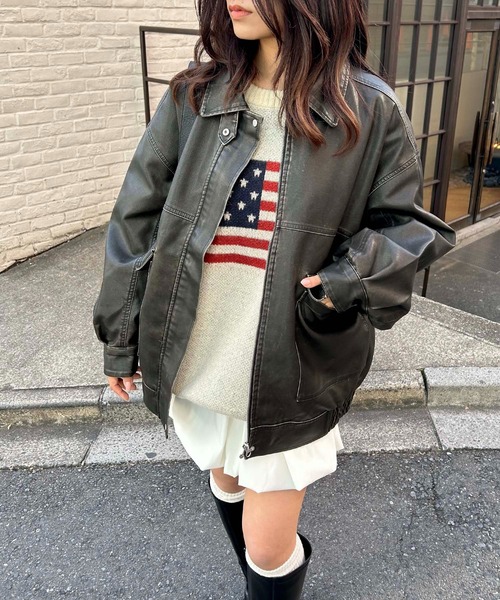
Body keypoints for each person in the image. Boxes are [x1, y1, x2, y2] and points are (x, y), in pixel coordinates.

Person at [92, 1, 456, 598]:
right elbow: (137, 218)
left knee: (266, 547)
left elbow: (408, 228)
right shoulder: (194, 96)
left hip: (291, 356)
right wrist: (121, 333)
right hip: (198, 343)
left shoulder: (366, 108)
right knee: (226, 480)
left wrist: (344, 282)